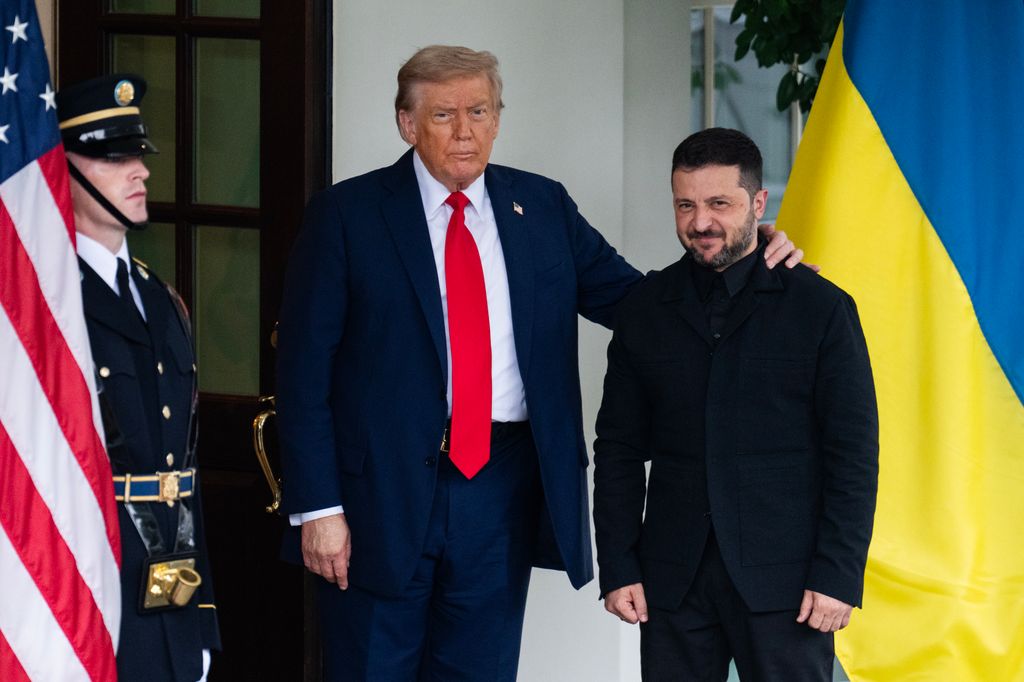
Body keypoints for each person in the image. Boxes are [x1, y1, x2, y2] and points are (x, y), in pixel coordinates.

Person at [275, 47, 802, 681]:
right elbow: (302, 374)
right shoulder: (346, 216)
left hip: (501, 490)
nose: (465, 130)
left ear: (498, 119)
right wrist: (320, 508)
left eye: (479, 110)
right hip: (375, 497)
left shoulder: (542, 206)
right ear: (407, 124)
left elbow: (644, 306)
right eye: (443, 114)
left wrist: (751, 258)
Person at [593, 127, 879, 681]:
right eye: (686, 204)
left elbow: (854, 454)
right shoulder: (646, 309)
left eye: (719, 203)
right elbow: (619, 450)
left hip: (790, 585)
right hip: (672, 582)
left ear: (758, 202)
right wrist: (619, 564)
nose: (700, 223)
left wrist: (838, 574)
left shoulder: (821, 309)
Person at [57, 74, 220, 682]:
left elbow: (181, 476)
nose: (140, 172)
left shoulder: (161, 298)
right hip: (83, 599)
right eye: (113, 157)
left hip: (169, 597)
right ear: (61, 172)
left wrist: (200, 620)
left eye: (139, 156)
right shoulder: (47, 310)